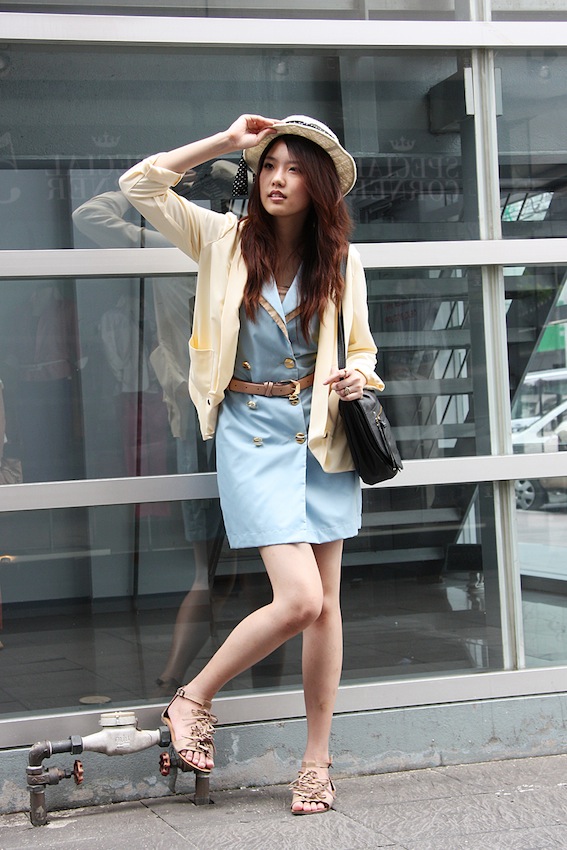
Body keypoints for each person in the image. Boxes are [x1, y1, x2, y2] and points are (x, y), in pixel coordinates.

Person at [119, 113, 384, 816]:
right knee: (299, 600)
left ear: (317, 185)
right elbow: (139, 185)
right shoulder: (222, 238)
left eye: (294, 169)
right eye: (269, 166)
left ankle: (316, 760)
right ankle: (193, 697)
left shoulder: (341, 261)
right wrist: (225, 143)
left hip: (320, 435)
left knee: (326, 608)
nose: (277, 179)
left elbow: (362, 350)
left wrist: (358, 377)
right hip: (250, 431)